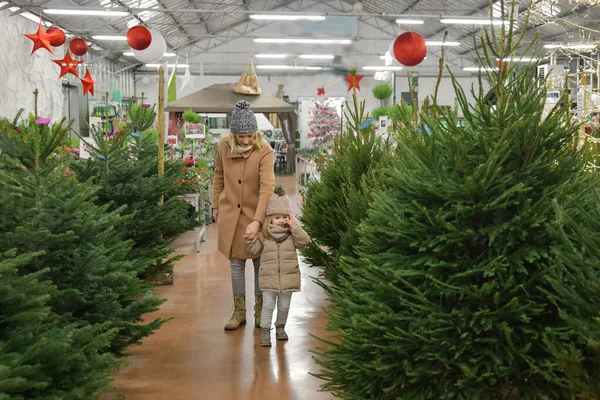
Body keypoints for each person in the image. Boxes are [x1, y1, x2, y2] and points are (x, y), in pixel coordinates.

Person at [212, 100, 275, 331]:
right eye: (241, 137)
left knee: (259, 262)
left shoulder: (265, 150)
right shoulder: (223, 146)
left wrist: (257, 221)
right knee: (236, 264)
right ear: (233, 134)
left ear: (256, 133)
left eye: (250, 135)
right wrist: (215, 206)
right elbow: (218, 175)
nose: (246, 141)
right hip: (231, 214)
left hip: (256, 211)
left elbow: (267, 187)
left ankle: (260, 310)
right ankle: (239, 311)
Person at [245, 186, 310, 347]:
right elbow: (252, 250)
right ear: (269, 219)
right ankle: (266, 330)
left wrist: (295, 227)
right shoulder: (264, 236)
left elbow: (305, 242)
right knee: (267, 306)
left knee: (284, 305)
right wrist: (248, 239)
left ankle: (280, 327)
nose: (281, 220)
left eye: (284, 217)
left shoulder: (291, 235)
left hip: (288, 278)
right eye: (277, 217)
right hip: (269, 278)